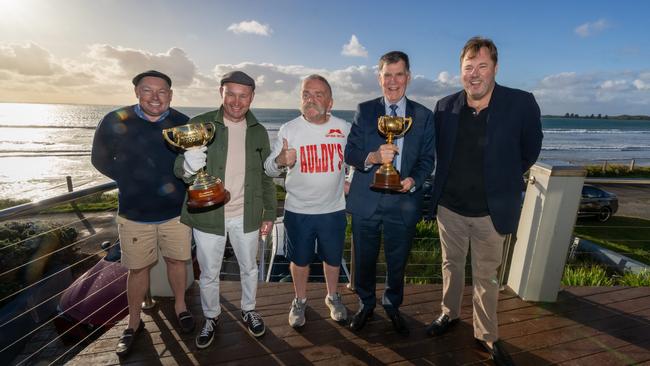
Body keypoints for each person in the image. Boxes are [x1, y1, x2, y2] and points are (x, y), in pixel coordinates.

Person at [426, 37, 543, 366]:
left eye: (482, 66)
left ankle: (487, 334)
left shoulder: (520, 103)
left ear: (495, 68)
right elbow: (439, 151)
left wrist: (502, 179)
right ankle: (448, 314)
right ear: (459, 70)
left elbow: (530, 148)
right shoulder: (444, 106)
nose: (474, 74)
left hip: (492, 211)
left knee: (486, 276)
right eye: (468, 67)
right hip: (449, 207)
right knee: (450, 266)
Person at [91, 70, 195, 357]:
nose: (155, 97)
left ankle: (181, 308)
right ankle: (133, 323)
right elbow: (99, 158)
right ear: (137, 92)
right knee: (137, 269)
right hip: (134, 213)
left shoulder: (183, 123)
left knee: (177, 261)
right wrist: (127, 179)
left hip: (175, 212)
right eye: (147, 90)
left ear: (170, 95)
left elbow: (195, 161)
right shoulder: (115, 120)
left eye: (162, 91)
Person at [174, 71, 276, 349]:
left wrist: (269, 213)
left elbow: (266, 177)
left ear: (252, 98)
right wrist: (190, 165)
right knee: (208, 273)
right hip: (208, 216)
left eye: (243, 95)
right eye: (230, 93)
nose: (236, 101)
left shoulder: (258, 131)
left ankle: (249, 309)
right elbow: (178, 171)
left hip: (248, 214)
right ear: (221, 93)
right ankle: (211, 316)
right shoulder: (199, 124)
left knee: (249, 268)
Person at [345, 51, 435, 336]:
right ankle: (366, 303)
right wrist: (372, 156)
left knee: (398, 260)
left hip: (404, 200)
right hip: (367, 199)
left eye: (399, 75)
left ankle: (392, 305)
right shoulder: (364, 110)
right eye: (387, 75)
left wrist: (413, 180)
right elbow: (351, 153)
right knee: (364, 259)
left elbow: (427, 160)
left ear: (408, 77)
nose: (393, 82)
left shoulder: (423, 115)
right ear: (379, 78)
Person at [264, 75, 350, 328]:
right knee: (299, 260)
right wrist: (280, 160)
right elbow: (268, 168)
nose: (310, 100)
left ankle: (332, 296)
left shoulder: (343, 127)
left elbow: (356, 158)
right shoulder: (289, 129)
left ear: (330, 102)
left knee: (333, 259)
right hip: (298, 210)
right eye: (306, 94)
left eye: (318, 94)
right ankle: (300, 300)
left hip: (333, 210)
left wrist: (350, 181)